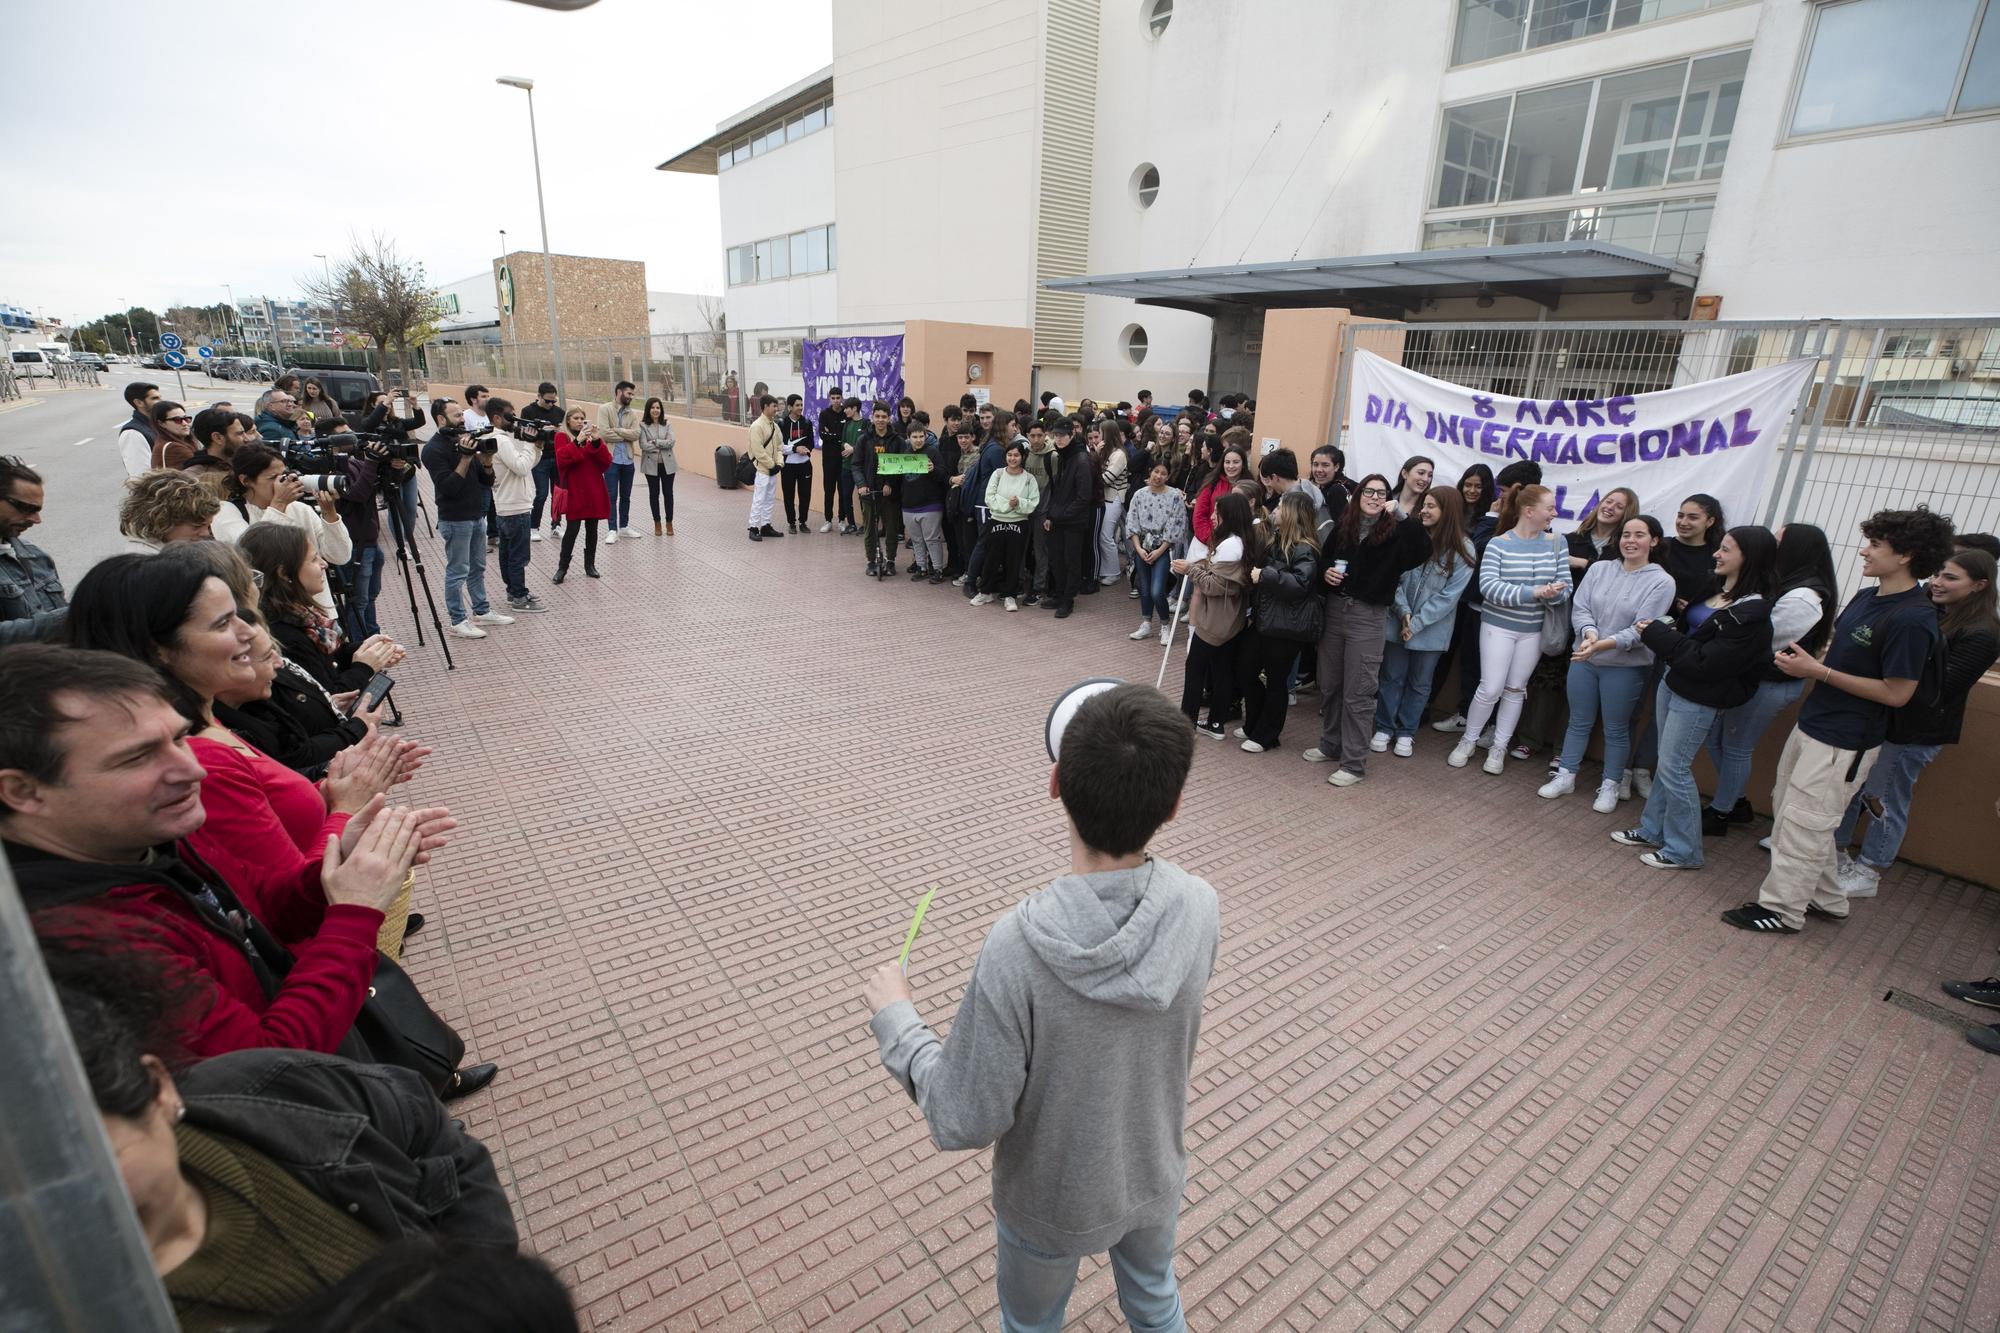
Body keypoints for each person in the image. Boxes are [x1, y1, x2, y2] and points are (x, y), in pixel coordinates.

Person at [863, 682, 1215, 1333]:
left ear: (1056, 783)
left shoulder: (1017, 948)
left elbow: (963, 1115)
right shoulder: (1199, 905)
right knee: (1155, 1301)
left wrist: (899, 1022)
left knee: (1031, 1324)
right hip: (1150, 1173)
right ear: (1174, 803)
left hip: (1048, 1200)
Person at [0, 639, 469, 1075]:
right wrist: (355, 912)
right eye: (137, 758)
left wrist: (335, 863)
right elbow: (271, 1065)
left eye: (180, 738)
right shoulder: (81, 942)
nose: (191, 768)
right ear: (22, 791)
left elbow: (265, 907)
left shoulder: (139, 839)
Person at [33, 939, 517, 1331]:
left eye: (95, 1164)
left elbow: (427, 1129)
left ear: (157, 1088)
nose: (67, 1211)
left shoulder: (270, 1091)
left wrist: (478, 1284)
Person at [1727, 508, 1955, 933]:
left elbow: (1897, 692)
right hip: (1816, 724)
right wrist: (1817, 665)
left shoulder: (1912, 618)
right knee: (1795, 812)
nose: (1862, 550)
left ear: (1905, 555)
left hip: (1846, 740)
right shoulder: (1870, 597)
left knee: (1806, 822)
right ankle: (1827, 897)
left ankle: (1781, 910)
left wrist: (1819, 672)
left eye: (1875, 544)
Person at [1832, 548, 1996, 898]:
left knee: (1884, 796)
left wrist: (1892, 673)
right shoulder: (1926, 609)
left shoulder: (1983, 633)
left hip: (1915, 732)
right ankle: (1836, 852)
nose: (1936, 582)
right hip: (1883, 720)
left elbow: (1939, 689)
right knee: (1858, 787)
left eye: (1950, 577)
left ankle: (1870, 870)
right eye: (1937, 572)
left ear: (1980, 585)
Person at [1613, 527, 1777, 871]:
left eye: (1727, 550)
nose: (1717, 554)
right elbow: (1687, 633)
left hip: (1700, 694)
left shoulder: (1753, 612)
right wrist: (1666, 631)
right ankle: (1651, 829)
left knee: (1675, 767)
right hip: (1674, 681)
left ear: (1750, 558)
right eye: (1720, 548)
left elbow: (1708, 660)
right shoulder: (1714, 588)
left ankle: (1684, 850)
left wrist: (1655, 632)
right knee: (1667, 762)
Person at [1700, 524, 1837, 834]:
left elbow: (1764, 638)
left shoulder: (1804, 596)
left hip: (1771, 682)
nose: (1772, 547)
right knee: (1720, 740)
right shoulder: (1787, 583)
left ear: (1797, 548)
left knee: (1735, 746)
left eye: (1778, 542)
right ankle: (1735, 801)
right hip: (1758, 678)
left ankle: (1722, 813)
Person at [1540, 515, 1675, 811]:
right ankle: (1566, 775)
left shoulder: (1662, 581)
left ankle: (1611, 785)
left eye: (1639, 535)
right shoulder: (1600, 568)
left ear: (1653, 541)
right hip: (1584, 657)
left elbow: (1642, 629)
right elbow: (1581, 607)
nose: (1630, 540)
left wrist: (1600, 645)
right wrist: (1589, 635)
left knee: (1616, 727)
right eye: (1626, 534)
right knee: (1578, 721)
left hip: (1624, 666)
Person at [1307, 473, 1429, 783]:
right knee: (1331, 684)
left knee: (1359, 691)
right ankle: (1331, 744)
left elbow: (1422, 550)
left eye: (1381, 493)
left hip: (1368, 616)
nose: (1374, 497)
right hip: (1335, 611)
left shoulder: (1396, 534)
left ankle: (1353, 763)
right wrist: (1327, 574)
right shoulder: (1343, 529)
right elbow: (1324, 561)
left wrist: (1402, 517)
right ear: (1358, 495)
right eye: (1369, 492)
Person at [1447, 482, 1571, 776]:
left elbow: (1566, 584)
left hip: (1534, 629)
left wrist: (1556, 592)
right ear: (1529, 511)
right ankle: (1468, 740)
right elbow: (1489, 588)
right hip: (1498, 626)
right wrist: (1535, 593)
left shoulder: (1557, 543)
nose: (1554, 513)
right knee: (1490, 688)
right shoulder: (1498, 544)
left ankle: (1499, 747)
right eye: (1549, 507)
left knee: (1516, 689)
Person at [1628, 493, 1726, 793]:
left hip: (1682, 645)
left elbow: (1717, 600)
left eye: (1692, 517)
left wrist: (1692, 608)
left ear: (1710, 521)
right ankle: (1619, 770)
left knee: (1664, 713)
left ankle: (1643, 768)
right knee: (1631, 706)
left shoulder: (1715, 555)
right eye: (1681, 515)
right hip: (1642, 636)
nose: (1683, 522)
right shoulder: (1663, 546)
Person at [238, 524, 405, 696]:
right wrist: (364, 667)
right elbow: (330, 700)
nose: (324, 563)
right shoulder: (286, 635)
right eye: (313, 559)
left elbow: (330, 658)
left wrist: (367, 650)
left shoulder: (298, 614)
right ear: (284, 573)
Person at [1374, 487, 1473, 758]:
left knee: (1420, 683)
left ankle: (1406, 732)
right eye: (1424, 505)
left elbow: (1449, 597)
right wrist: (1403, 612)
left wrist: (1416, 623)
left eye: (1431, 506)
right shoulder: (1409, 535)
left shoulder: (1463, 549)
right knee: (1391, 677)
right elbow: (1393, 575)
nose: (1424, 511)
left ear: (1448, 511)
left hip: (1431, 631)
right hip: (1397, 622)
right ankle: (1383, 727)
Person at [211, 444, 354, 619]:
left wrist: (329, 513)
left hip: (318, 614)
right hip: (274, 618)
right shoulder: (226, 512)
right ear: (245, 480)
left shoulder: (299, 509)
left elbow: (340, 556)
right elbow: (253, 558)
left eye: (284, 475)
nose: (284, 483)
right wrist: (278, 505)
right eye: (273, 478)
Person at [1237, 491, 1322, 753]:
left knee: (1276, 681)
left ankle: (1267, 734)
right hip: (1264, 620)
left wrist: (1266, 575)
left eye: (1282, 506)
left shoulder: (1306, 548)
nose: (1276, 510)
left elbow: (1300, 584)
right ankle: (1255, 722)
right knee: (1244, 669)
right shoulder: (1275, 540)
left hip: (1286, 627)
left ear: (1293, 512)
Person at [418, 400, 511, 638]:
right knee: (457, 571)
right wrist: (466, 458)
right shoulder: (433, 449)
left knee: (478, 568)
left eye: (462, 414)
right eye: (457, 414)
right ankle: (457, 620)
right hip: (455, 519)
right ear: (440, 419)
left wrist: (486, 460)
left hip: (476, 515)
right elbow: (449, 487)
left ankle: (481, 611)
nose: (462, 418)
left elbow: (487, 481)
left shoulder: (465, 440)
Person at [1174, 491, 1258, 735]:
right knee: (1222, 669)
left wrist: (1191, 569)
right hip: (1232, 619)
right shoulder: (1244, 540)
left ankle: (1186, 720)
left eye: (1217, 513)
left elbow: (1214, 585)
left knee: (1196, 668)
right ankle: (1216, 723)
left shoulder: (1231, 545)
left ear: (1229, 516)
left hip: (1216, 620)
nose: (1212, 517)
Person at [481, 397, 546, 615]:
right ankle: (519, 596)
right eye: (510, 415)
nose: (514, 419)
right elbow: (520, 467)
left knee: (508, 553)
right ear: (497, 417)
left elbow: (525, 465)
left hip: (506, 505)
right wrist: (529, 444)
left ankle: (513, 591)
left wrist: (537, 447)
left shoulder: (498, 438)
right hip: (515, 507)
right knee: (518, 555)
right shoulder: (501, 440)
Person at [1, 454, 66, 645]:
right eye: (25, 508)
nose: (36, 520)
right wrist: (70, 616)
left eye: (37, 510)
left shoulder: (35, 556)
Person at [971, 440, 1039, 610]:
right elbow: (990, 497)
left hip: (1019, 524)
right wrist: (1009, 505)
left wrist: (1019, 504)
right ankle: (985, 592)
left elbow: (1033, 502)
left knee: (1014, 560)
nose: (1012, 458)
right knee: (991, 559)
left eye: (1016, 455)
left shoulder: (1029, 479)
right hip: (996, 521)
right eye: (1009, 455)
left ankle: (1010, 596)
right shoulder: (998, 474)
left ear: (1022, 457)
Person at [1125, 459, 1187, 641]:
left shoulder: (1174, 496)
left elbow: (1176, 525)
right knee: (1144, 588)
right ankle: (1146, 623)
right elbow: (1132, 522)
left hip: (1162, 550)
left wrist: (1160, 551)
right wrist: (1138, 548)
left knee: (1157, 590)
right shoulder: (1138, 494)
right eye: (1156, 472)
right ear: (1150, 472)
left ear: (1168, 476)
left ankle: (1165, 625)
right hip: (1142, 548)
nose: (1158, 476)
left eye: (1163, 473)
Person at [1042, 419, 1094, 619]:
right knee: (1056, 559)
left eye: (1062, 435)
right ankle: (1059, 594)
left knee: (1071, 560)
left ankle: (1068, 600)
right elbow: (1058, 490)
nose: (1058, 439)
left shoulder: (1081, 459)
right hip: (1058, 518)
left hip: (1073, 521)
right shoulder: (1062, 456)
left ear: (1072, 435)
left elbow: (1083, 497)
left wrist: (1060, 516)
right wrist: (1050, 515)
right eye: (1055, 435)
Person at [551, 407, 610, 582]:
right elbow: (562, 459)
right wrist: (577, 441)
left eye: (582, 418)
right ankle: (562, 568)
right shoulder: (562, 437)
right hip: (575, 490)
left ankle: (590, 565)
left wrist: (597, 441)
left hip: (593, 488)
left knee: (592, 529)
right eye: (575, 418)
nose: (579, 421)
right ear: (568, 420)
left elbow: (606, 462)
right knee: (572, 530)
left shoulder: (591, 438)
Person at [855, 402, 906, 574]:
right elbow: (856, 465)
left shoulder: (898, 441)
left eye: (884, 417)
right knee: (870, 529)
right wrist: (862, 485)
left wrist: (890, 484)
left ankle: (890, 560)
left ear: (889, 418)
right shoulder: (864, 439)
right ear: (872, 417)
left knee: (891, 529)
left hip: (890, 495)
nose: (880, 420)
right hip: (869, 493)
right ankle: (871, 561)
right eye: (877, 416)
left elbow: (901, 466)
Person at [121, 469, 220, 552]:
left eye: (208, 526)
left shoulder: (175, 547)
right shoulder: (146, 563)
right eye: (196, 526)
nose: (206, 533)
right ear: (162, 520)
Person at [743, 393, 785, 542]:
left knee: (769, 499)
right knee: (759, 499)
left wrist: (779, 464)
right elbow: (758, 451)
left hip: (773, 470)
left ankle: (766, 526)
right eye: (774, 406)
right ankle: (753, 527)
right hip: (762, 470)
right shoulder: (757, 426)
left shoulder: (775, 425)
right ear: (765, 407)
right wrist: (772, 465)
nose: (776, 409)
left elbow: (780, 447)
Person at [1095, 420, 1132, 587]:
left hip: (1113, 498)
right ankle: (1104, 570)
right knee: (1103, 535)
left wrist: (1092, 473)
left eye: (1101, 433)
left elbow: (1107, 479)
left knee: (1106, 536)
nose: (1098, 436)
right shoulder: (1107, 451)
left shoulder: (1118, 455)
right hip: (1105, 498)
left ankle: (1113, 572)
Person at [182, 406, 258, 486]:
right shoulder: (194, 479)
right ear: (217, 438)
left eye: (244, 432)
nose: (247, 439)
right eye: (239, 433)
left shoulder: (246, 462)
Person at [637, 396, 678, 537]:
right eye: (653, 407)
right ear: (648, 410)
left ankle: (669, 523)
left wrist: (654, 442)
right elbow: (643, 445)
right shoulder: (643, 425)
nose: (655, 410)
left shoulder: (667, 424)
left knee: (668, 494)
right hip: (651, 466)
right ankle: (657, 523)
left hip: (668, 465)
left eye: (658, 407)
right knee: (654, 494)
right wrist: (661, 443)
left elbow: (672, 442)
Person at [778, 393, 814, 534]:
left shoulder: (807, 423)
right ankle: (791, 523)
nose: (800, 408)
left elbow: (811, 443)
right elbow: (780, 446)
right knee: (789, 495)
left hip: (805, 465)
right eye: (797, 405)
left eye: (801, 405)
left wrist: (806, 450)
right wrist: (794, 449)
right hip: (788, 466)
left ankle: (803, 522)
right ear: (790, 407)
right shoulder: (782, 423)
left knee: (805, 494)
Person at [1388, 455, 1434, 521]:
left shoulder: (1429, 509)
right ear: (1405, 474)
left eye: (1430, 475)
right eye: (1421, 473)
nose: (1426, 479)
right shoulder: (1386, 500)